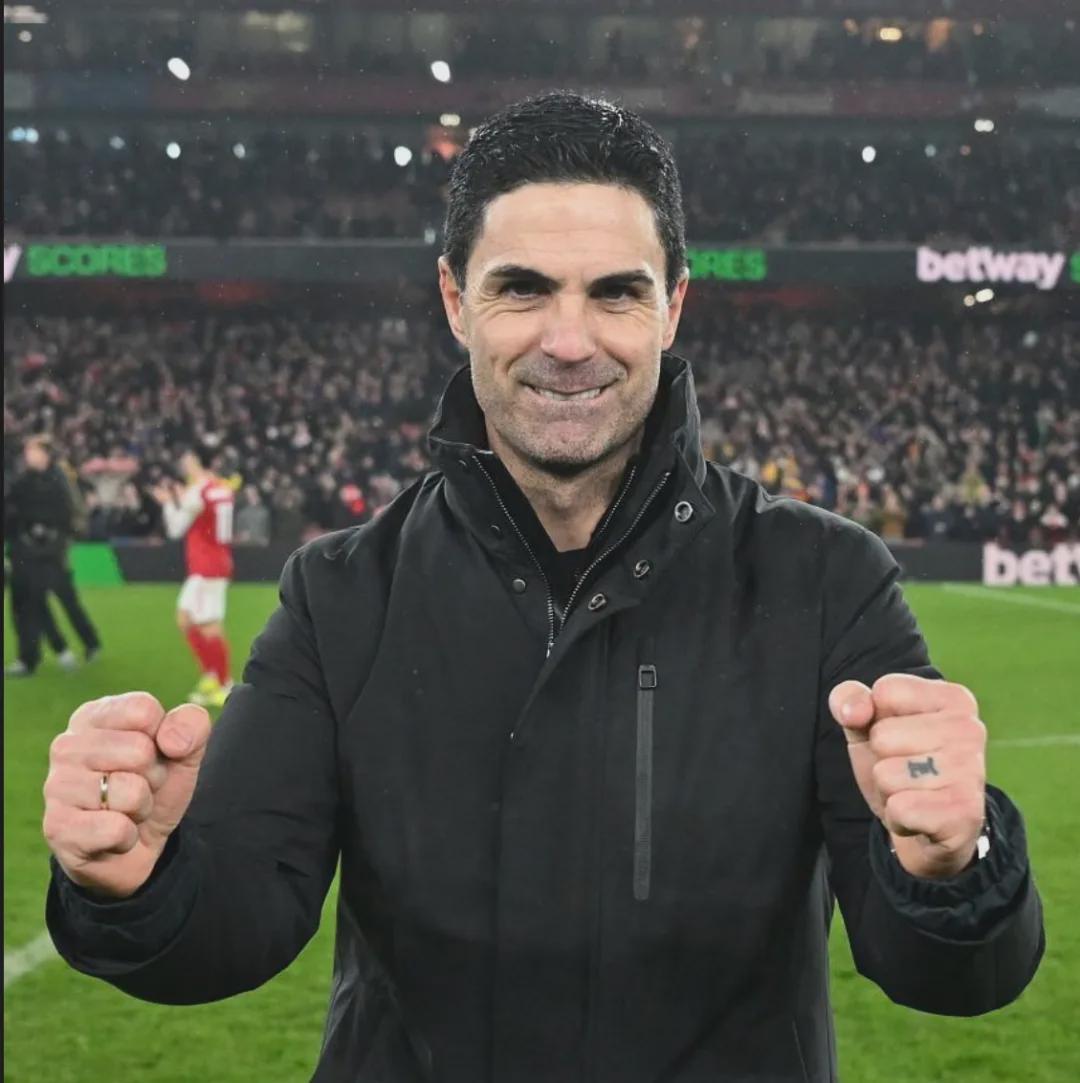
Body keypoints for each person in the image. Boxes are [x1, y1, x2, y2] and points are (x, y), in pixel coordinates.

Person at [43, 94, 1043, 1082]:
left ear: (673, 307)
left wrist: (958, 863)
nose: (569, 342)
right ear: (454, 301)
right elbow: (229, 928)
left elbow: (950, 976)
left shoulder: (825, 580)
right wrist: (132, 882)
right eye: (522, 289)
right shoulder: (341, 594)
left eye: (615, 293)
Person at [5, 436, 101, 677]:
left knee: (65, 599)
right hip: (28, 549)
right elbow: (11, 512)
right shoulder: (23, 481)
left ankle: (87, 643)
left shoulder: (59, 480)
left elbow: (70, 513)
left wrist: (59, 540)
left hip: (54, 551)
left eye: (33, 450)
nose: (28, 455)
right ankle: (44, 654)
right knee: (31, 601)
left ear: (45, 454)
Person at [148, 449, 235, 708]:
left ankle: (224, 683)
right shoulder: (221, 488)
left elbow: (176, 528)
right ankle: (212, 676)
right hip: (216, 560)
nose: (184, 466)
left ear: (198, 463)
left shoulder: (198, 490)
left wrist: (168, 502)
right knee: (185, 619)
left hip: (205, 565)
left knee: (208, 625)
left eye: (187, 461)